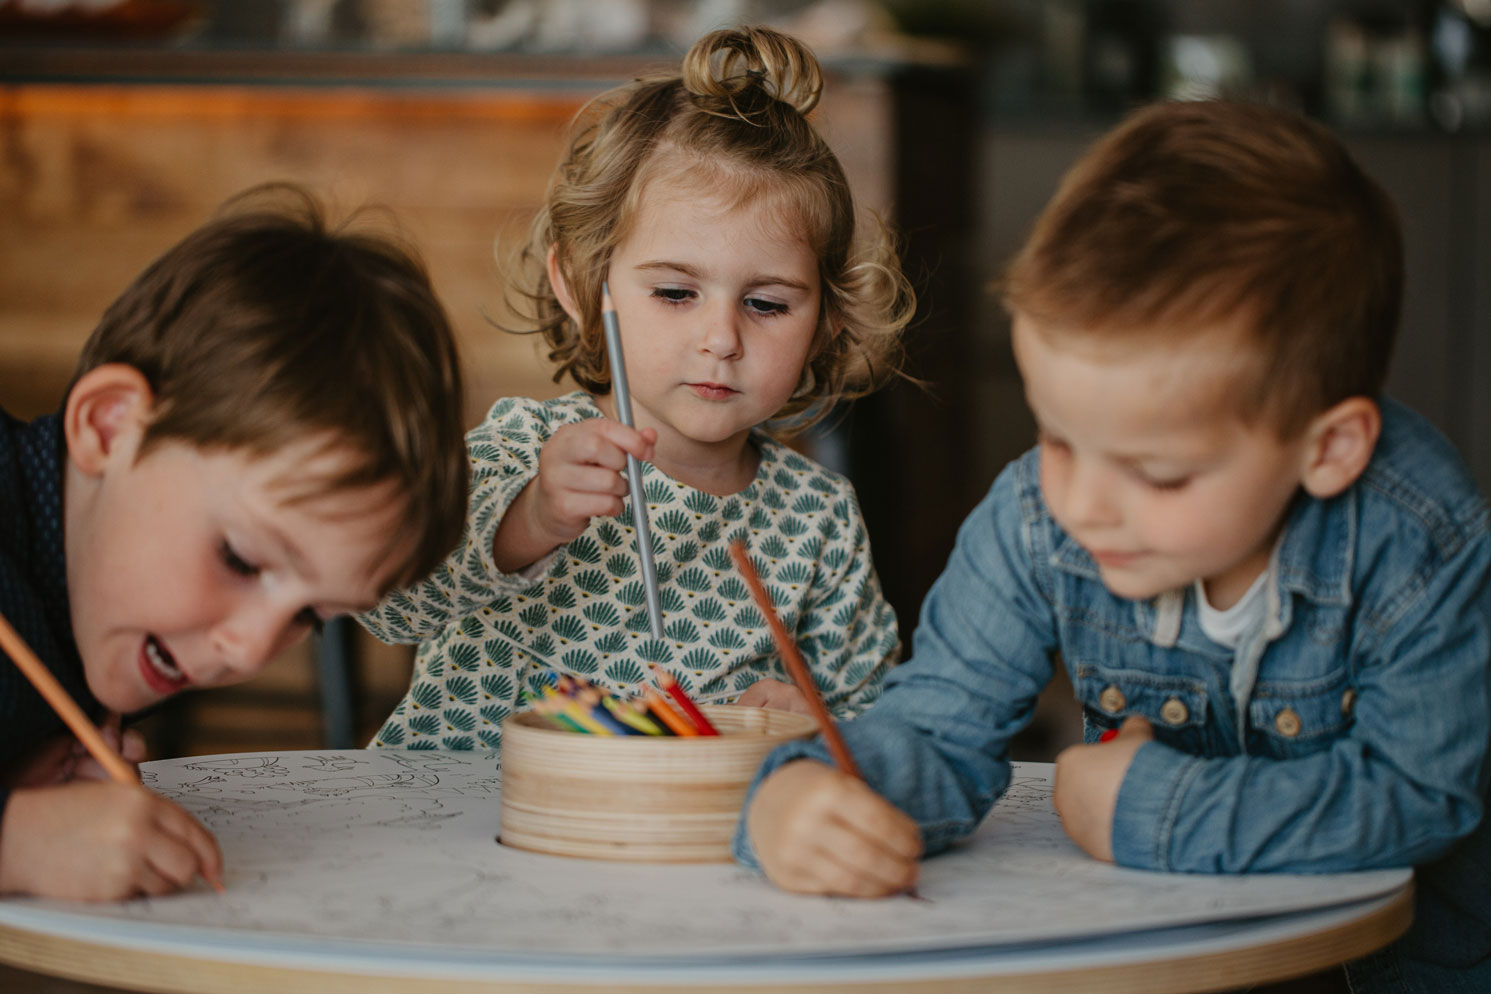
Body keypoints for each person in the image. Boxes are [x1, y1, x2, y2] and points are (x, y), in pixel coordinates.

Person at [736, 99, 1491, 993]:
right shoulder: (1033, 518)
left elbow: (1419, 797)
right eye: (1057, 438)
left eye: (1159, 475)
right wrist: (800, 796)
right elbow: (936, 733)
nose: (1081, 504)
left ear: (1326, 450)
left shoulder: (1417, 537)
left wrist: (1146, 807)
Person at [359, 25, 914, 753]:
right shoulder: (523, 449)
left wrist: (819, 722)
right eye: (677, 292)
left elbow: (880, 722)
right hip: (463, 828)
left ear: (827, 321)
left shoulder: (818, 520)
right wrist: (531, 518)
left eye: (767, 304)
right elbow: (392, 602)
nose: (721, 338)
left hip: (676, 850)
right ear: (583, 285)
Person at [0, 183, 469, 901]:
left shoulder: (109, 609)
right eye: (241, 560)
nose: (249, 651)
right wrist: (16, 845)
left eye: (308, 619)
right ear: (109, 426)